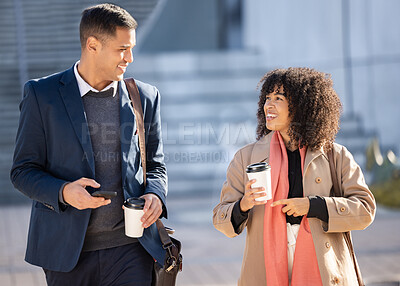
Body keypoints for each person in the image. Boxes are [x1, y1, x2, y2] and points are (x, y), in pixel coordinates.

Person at [10, 4, 167, 285]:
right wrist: (63, 192)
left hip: (131, 250)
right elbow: (22, 171)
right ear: (93, 45)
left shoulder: (145, 96)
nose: (129, 58)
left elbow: (155, 164)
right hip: (68, 254)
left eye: (131, 48)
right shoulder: (41, 95)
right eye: (122, 49)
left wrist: (155, 194)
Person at [213, 67, 376, 286]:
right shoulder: (246, 157)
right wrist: (243, 205)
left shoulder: (335, 155)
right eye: (267, 98)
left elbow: (365, 209)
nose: (268, 105)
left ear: (300, 106)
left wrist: (313, 206)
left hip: (322, 262)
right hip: (266, 263)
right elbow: (219, 218)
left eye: (278, 98)